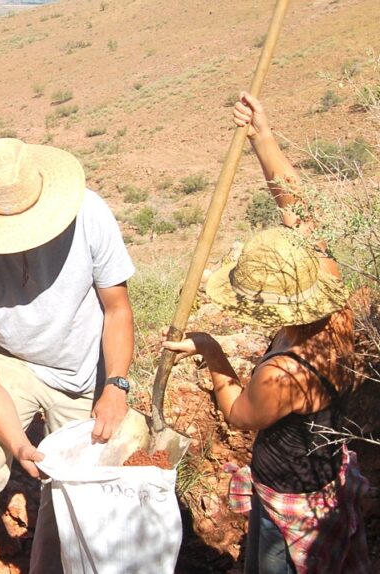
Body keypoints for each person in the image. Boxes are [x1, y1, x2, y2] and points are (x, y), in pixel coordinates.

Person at [162, 93, 369, 573]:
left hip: (289, 499)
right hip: (323, 479)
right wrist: (262, 136)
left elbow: (239, 414)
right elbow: (299, 204)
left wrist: (211, 352)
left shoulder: (281, 375)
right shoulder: (330, 295)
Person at [0, 137, 136, 572]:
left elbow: (117, 309)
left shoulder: (89, 214)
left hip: (80, 365)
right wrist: (17, 444)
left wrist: (116, 383)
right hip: (12, 363)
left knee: (70, 487)